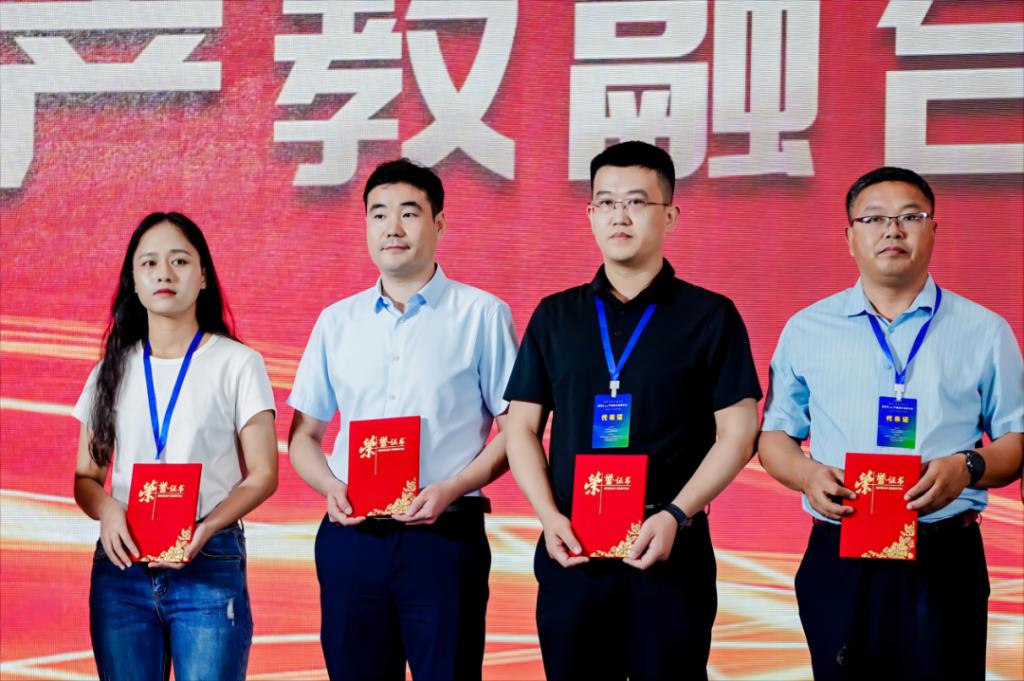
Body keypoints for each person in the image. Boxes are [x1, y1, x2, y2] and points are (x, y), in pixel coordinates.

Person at [503, 140, 762, 681]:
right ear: (590, 214)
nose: (619, 216)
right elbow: (521, 428)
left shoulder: (710, 316)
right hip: (572, 547)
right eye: (606, 202)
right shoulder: (555, 316)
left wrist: (676, 514)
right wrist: (548, 517)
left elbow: (738, 435)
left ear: (670, 215)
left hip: (670, 548)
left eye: (637, 202)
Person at [758, 166, 1024, 681]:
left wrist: (968, 467)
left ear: (934, 230)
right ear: (849, 236)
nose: (892, 230)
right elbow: (774, 437)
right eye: (874, 218)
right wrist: (807, 475)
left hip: (943, 555)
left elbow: (1016, 440)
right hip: (840, 551)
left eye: (910, 217)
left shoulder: (984, 331)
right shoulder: (807, 329)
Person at [287, 159, 518, 681]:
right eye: (378, 214)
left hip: (444, 536)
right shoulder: (337, 321)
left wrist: (452, 487)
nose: (392, 227)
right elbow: (303, 436)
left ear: (439, 223)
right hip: (353, 536)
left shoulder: (482, 314)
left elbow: (516, 433)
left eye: (409, 213)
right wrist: (331, 486)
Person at [72, 211, 279, 681]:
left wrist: (206, 529)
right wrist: (108, 510)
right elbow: (86, 477)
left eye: (180, 261)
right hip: (123, 564)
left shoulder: (238, 363)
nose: (164, 273)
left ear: (203, 276)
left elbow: (265, 473)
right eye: (149, 263)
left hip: (208, 560)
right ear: (134, 281)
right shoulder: (110, 369)